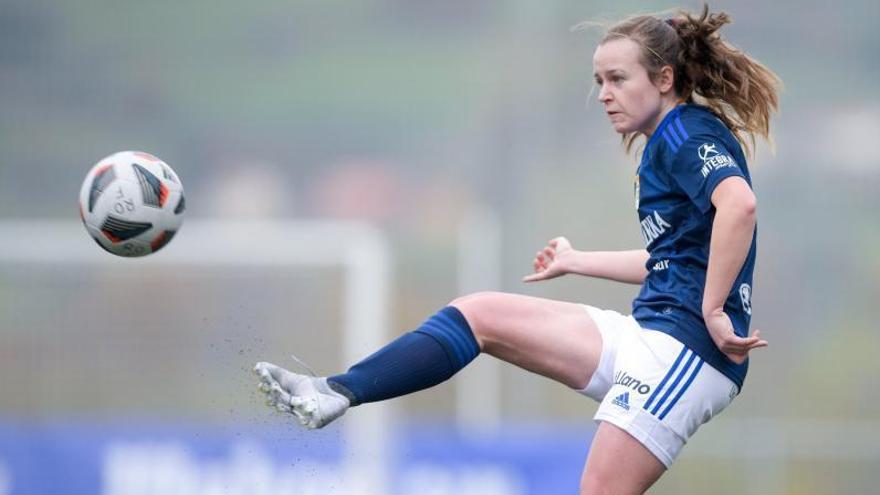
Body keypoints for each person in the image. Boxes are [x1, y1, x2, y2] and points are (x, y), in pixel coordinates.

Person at [254, 5, 780, 494]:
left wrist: (713, 309)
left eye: (618, 79)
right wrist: (577, 261)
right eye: (599, 80)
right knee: (478, 314)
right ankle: (334, 391)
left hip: (688, 350)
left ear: (664, 79)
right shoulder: (667, 140)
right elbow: (676, 257)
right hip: (652, 335)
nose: (603, 93)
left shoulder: (683, 132)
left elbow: (740, 206)